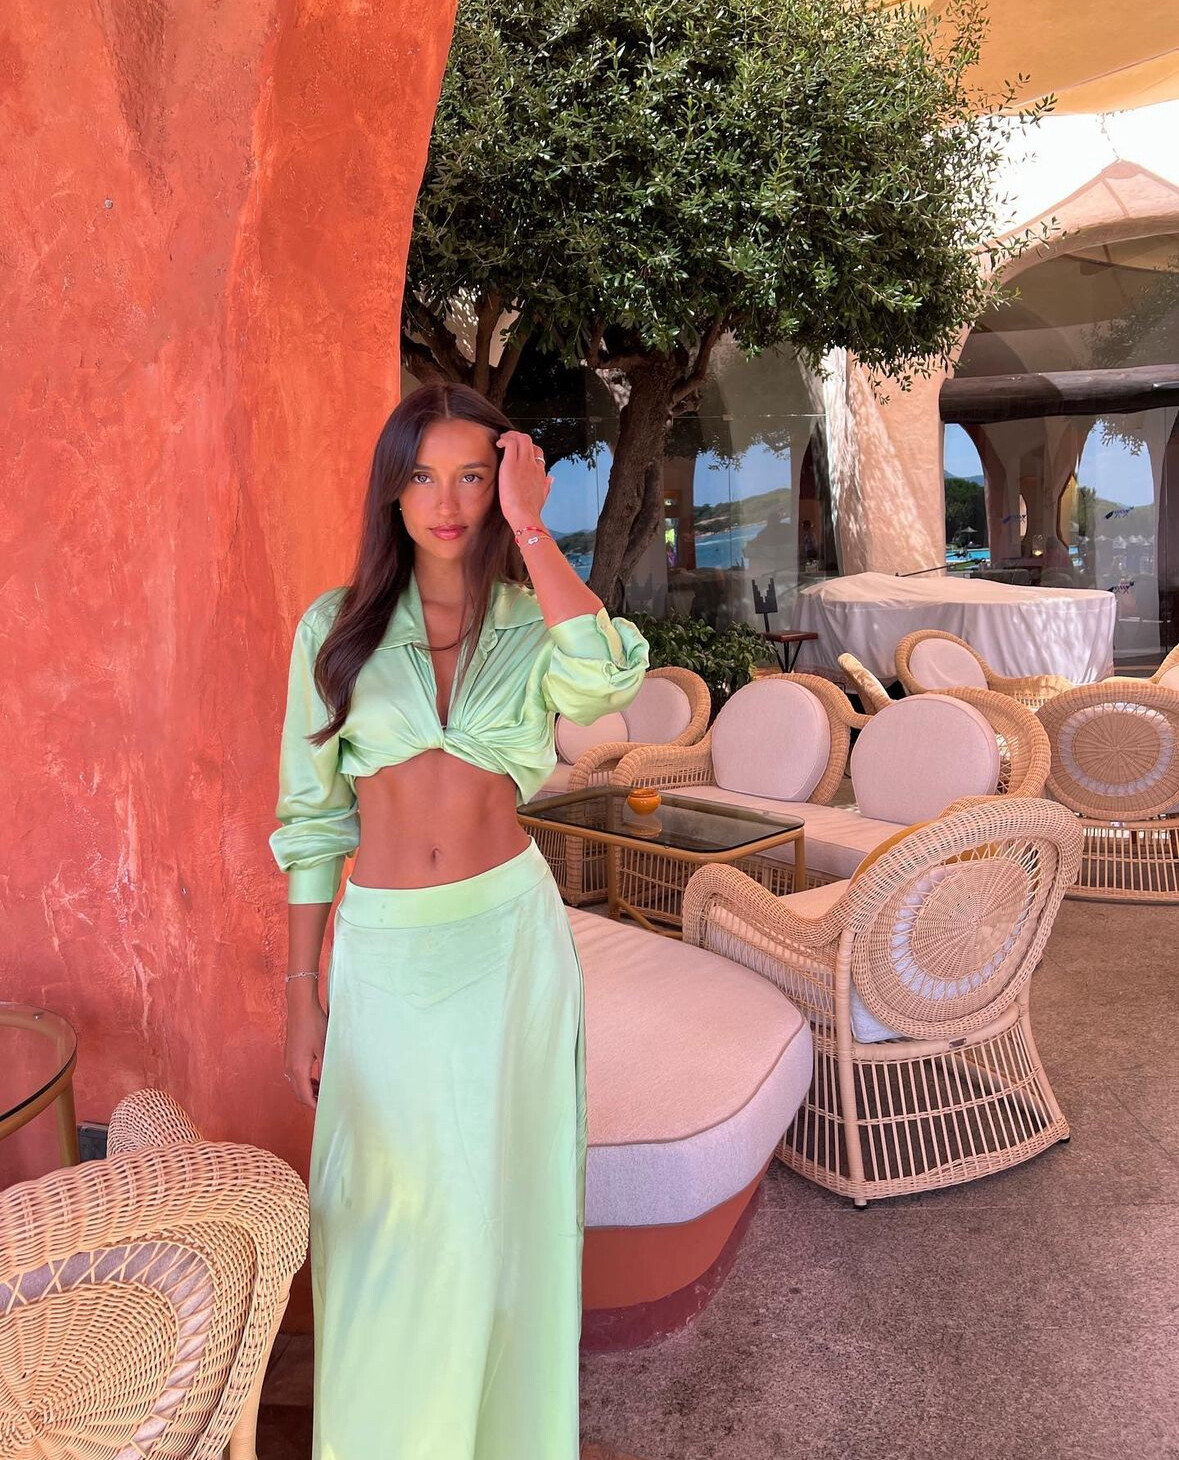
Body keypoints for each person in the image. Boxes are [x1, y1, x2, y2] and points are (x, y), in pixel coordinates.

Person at [270, 382, 649, 1459]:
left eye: (473, 477)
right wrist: (301, 992)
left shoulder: (536, 622)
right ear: (391, 492)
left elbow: (605, 689)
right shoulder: (334, 628)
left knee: (496, 1221)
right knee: (382, 1216)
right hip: (386, 954)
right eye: (423, 476)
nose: (447, 502)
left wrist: (534, 528)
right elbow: (311, 821)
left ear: (504, 485)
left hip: (507, 948)